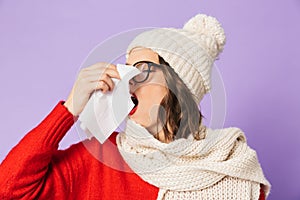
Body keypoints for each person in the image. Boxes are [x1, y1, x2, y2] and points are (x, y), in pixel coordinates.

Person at [0, 14, 271, 199]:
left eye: (141, 71)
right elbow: (9, 189)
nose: (126, 81)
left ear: (180, 84)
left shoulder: (232, 166)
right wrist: (70, 108)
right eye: (125, 70)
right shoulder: (100, 158)